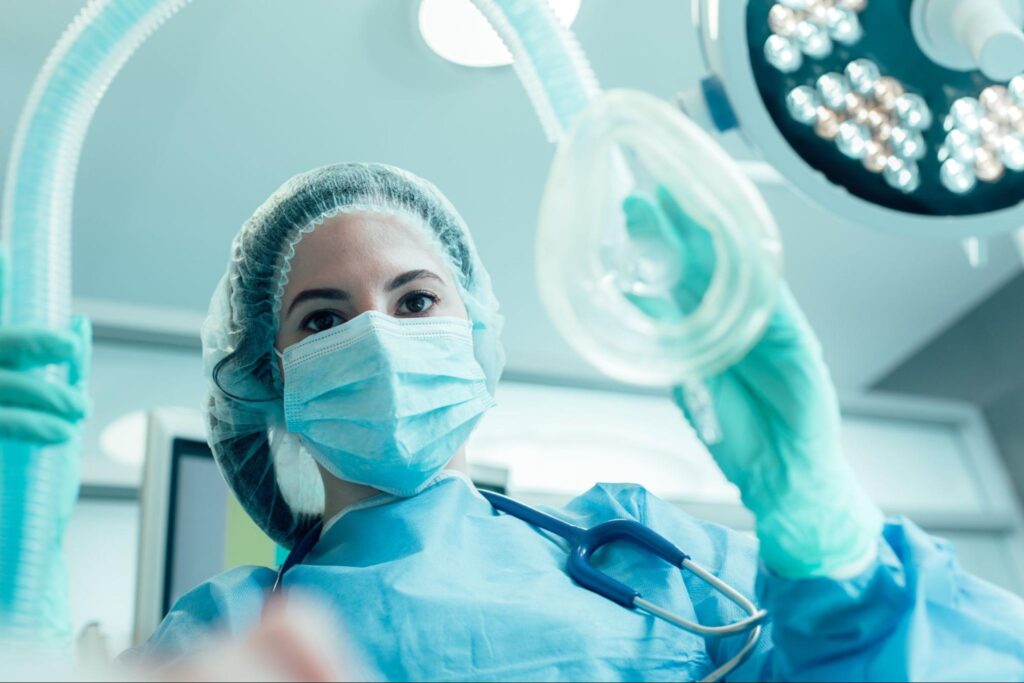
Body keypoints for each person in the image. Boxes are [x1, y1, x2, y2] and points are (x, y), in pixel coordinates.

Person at [3, 162, 1023, 681]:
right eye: (325, 317)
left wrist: (831, 548)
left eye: (414, 301)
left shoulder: (646, 555)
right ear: (269, 384)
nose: (380, 338)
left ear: (477, 336)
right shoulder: (230, 628)